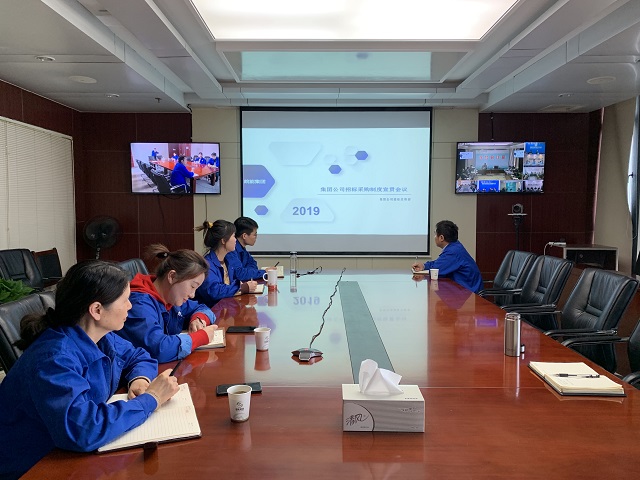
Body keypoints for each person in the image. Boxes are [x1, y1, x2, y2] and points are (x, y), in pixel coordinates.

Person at [0, 260, 180, 479]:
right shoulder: (54, 359)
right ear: (96, 310)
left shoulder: (100, 336)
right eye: (125, 300)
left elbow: (138, 356)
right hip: (34, 467)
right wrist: (152, 399)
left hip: (70, 456)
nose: (130, 306)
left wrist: (139, 380)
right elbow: (85, 430)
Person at [117, 244, 218, 363]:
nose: (192, 294)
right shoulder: (139, 305)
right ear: (172, 276)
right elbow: (159, 349)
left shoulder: (172, 297)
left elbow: (202, 307)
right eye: (192, 286)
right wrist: (200, 337)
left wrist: (199, 319)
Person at [195, 220, 258, 305]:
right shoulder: (207, 264)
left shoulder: (227, 262)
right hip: (212, 310)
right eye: (233, 236)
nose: (235, 240)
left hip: (226, 306)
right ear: (223, 241)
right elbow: (214, 291)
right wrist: (241, 288)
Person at [412, 220, 483, 293]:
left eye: (435, 234)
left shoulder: (453, 251)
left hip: (469, 292)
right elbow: (439, 263)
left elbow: (436, 270)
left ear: (441, 238)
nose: (434, 237)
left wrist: (425, 267)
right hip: (464, 289)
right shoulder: (454, 246)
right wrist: (424, 266)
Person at [226, 216, 267, 281]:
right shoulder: (231, 250)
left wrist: (247, 272)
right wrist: (264, 272)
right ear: (244, 236)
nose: (256, 237)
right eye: (255, 235)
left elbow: (253, 264)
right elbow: (239, 274)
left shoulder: (242, 249)